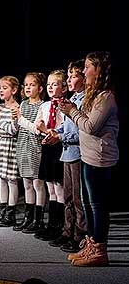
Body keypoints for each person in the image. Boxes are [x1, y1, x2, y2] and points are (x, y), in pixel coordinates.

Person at [60, 51, 118, 267]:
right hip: (87, 155)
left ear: (98, 70)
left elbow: (90, 127)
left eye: (87, 67)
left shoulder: (106, 97)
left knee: (97, 206)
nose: (84, 71)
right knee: (87, 203)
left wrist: (72, 111)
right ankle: (92, 245)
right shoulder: (93, 94)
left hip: (100, 158)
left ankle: (100, 250)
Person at [18, 70, 67, 240]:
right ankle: (51, 225)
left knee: (59, 188)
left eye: (55, 84)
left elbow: (64, 129)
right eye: (49, 85)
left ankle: (61, 226)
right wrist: (41, 128)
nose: (51, 87)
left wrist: (47, 130)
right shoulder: (45, 106)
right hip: (47, 147)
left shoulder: (66, 105)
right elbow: (39, 128)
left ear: (64, 87)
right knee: (50, 188)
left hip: (60, 147)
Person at [46, 60, 87, 252]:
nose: (69, 79)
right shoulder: (72, 100)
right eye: (68, 76)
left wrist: (61, 135)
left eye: (73, 76)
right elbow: (67, 125)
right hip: (67, 154)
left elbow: (82, 131)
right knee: (68, 196)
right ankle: (67, 230)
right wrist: (55, 133)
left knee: (78, 199)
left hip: (78, 154)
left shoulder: (85, 100)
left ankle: (80, 235)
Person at [11, 72, 46, 232]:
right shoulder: (23, 104)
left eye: (32, 85)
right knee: (26, 184)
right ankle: (28, 217)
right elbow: (18, 127)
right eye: (26, 85)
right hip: (22, 147)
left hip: (36, 148)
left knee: (37, 184)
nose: (28, 88)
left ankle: (38, 220)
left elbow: (37, 129)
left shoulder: (43, 106)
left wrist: (20, 119)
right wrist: (14, 120)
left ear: (40, 88)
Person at [0, 76, 20, 227]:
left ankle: (11, 214)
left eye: (5, 88)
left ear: (14, 90)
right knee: (1, 179)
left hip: (10, 145)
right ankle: (2, 212)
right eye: (0, 87)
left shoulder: (17, 108)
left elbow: (12, 130)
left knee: (11, 180)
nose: (1, 90)